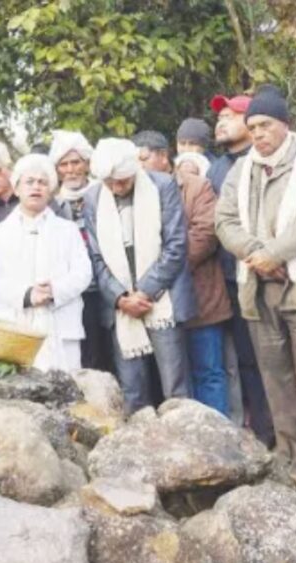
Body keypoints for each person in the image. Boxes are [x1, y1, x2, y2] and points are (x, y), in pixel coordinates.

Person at [215, 87, 296, 482]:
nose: (258, 134)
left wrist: (277, 253)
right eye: (252, 127)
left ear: (285, 124)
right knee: (276, 377)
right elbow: (224, 222)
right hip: (258, 286)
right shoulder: (241, 170)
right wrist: (259, 256)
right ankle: (290, 457)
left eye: (265, 125)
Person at [83, 138, 196, 414]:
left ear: (134, 170)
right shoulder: (93, 196)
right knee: (133, 389)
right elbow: (96, 257)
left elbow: (176, 244)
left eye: (122, 181)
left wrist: (144, 291)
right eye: (110, 182)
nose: (116, 187)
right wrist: (121, 298)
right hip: (122, 307)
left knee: (175, 388)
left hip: (161, 299)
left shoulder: (162, 185)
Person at [0, 154, 93, 371]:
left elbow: (83, 273)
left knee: (67, 390)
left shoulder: (67, 230)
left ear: (50, 190)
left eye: (43, 182)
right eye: (29, 182)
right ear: (16, 188)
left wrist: (54, 290)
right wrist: (27, 295)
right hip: (16, 326)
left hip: (61, 325)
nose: (36, 187)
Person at [208, 92, 270, 437]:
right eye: (220, 117)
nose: (221, 121)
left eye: (231, 116)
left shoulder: (263, 160)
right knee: (244, 359)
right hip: (229, 278)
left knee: (274, 359)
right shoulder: (216, 169)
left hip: (271, 272)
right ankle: (261, 430)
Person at [48, 130, 113, 372]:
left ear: (87, 163)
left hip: (110, 283)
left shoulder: (104, 193)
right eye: (63, 164)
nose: (70, 169)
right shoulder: (53, 204)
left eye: (75, 162)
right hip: (78, 290)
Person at [177, 166, 233, 415]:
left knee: (209, 371)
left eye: (145, 157)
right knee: (175, 378)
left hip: (201, 298)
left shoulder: (197, 187)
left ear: (161, 156)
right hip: (158, 304)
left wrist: (165, 269)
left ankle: (219, 436)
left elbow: (205, 234)